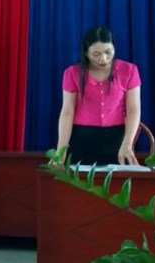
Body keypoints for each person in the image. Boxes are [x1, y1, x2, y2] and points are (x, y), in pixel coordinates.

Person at [56, 26, 142, 166]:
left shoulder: (129, 71)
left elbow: (133, 110)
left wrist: (127, 143)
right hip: (82, 138)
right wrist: (61, 150)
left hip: (117, 139)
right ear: (86, 53)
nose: (103, 59)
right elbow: (67, 112)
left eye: (108, 52)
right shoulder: (72, 73)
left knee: (117, 178)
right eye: (96, 54)